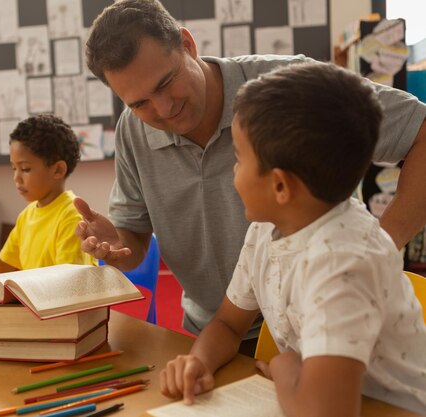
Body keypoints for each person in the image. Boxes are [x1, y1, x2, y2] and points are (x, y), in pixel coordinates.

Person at [74, 0, 426, 344]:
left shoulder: (289, 88)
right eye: (140, 103)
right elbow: (133, 239)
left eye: (166, 83)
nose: (164, 109)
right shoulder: (131, 130)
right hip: (214, 331)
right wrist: (119, 243)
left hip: (320, 323)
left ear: (187, 45)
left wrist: (382, 244)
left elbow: (421, 130)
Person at [159, 62, 426, 416]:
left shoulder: (341, 265)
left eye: (239, 159)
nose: (234, 172)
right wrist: (199, 361)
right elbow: (227, 323)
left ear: (281, 186)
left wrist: (286, 369)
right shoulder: (267, 229)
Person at [0, 114, 96, 295]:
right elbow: (5, 263)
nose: (16, 178)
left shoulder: (72, 218)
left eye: (25, 169)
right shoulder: (27, 215)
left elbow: (67, 288)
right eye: (14, 168)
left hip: (59, 316)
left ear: (57, 169)